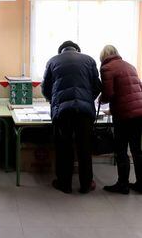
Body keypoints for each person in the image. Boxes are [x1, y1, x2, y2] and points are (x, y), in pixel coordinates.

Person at [42, 41, 101, 194]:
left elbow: (45, 88)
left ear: (61, 50)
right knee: (84, 147)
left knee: (64, 147)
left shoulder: (53, 61)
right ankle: (86, 184)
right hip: (84, 112)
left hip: (63, 111)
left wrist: (54, 101)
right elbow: (97, 86)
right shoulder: (89, 60)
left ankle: (64, 184)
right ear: (77, 49)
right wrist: (87, 99)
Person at [100, 45, 142, 194]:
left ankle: (123, 184)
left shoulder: (107, 68)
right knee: (137, 150)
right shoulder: (130, 66)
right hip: (139, 113)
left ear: (103, 57)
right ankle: (140, 184)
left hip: (124, 116)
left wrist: (101, 99)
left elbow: (108, 94)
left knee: (121, 150)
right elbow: (138, 88)